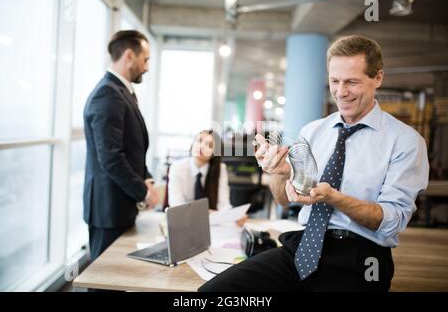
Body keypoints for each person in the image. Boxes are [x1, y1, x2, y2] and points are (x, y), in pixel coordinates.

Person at [199, 35, 429, 292]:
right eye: (334, 81)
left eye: (352, 82)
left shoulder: (406, 142)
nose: (341, 92)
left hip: (362, 259)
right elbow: (283, 199)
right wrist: (279, 171)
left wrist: (333, 197)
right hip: (303, 246)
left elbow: (392, 220)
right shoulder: (313, 131)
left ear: (378, 78)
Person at [83, 30, 159, 261]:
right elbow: (111, 158)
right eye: (145, 59)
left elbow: (130, 147)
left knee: (116, 277)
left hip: (120, 205)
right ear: (129, 56)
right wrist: (143, 192)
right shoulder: (107, 94)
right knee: (103, 281)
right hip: (108, 209)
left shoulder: (121, 91)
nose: (146, 67)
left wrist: (145, 178)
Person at [168, 130, 247, 226]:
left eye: (209, 145)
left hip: (210, 225)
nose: (201, 146)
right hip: (183, 223)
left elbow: (223, 205)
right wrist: (205, 213)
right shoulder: (177, 168)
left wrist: (234, 217)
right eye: (199, 140)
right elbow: (176, 205)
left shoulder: (220, 169)